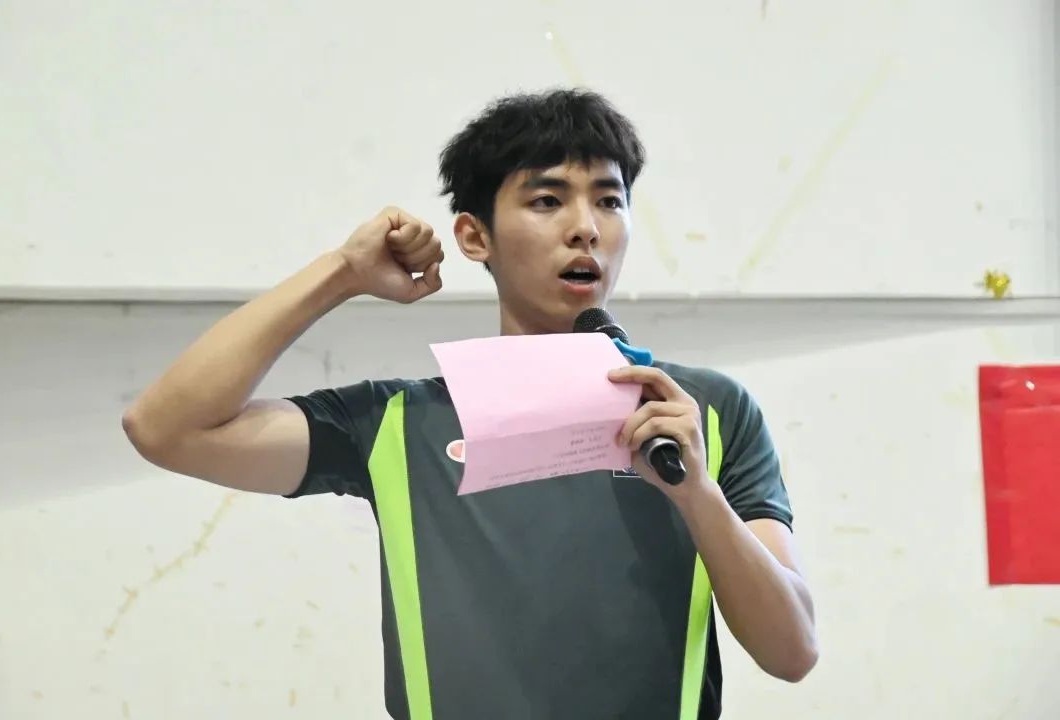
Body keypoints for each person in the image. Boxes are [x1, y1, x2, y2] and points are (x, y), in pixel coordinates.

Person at [123, 88, 817, 719]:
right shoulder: (397, 424)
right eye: (547, 201)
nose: (586, 227)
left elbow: (792, 652)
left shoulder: (702, 415)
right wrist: (343, 273)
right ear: (474, 236)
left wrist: (696, 493)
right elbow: (164, 428)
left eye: (609, 201)